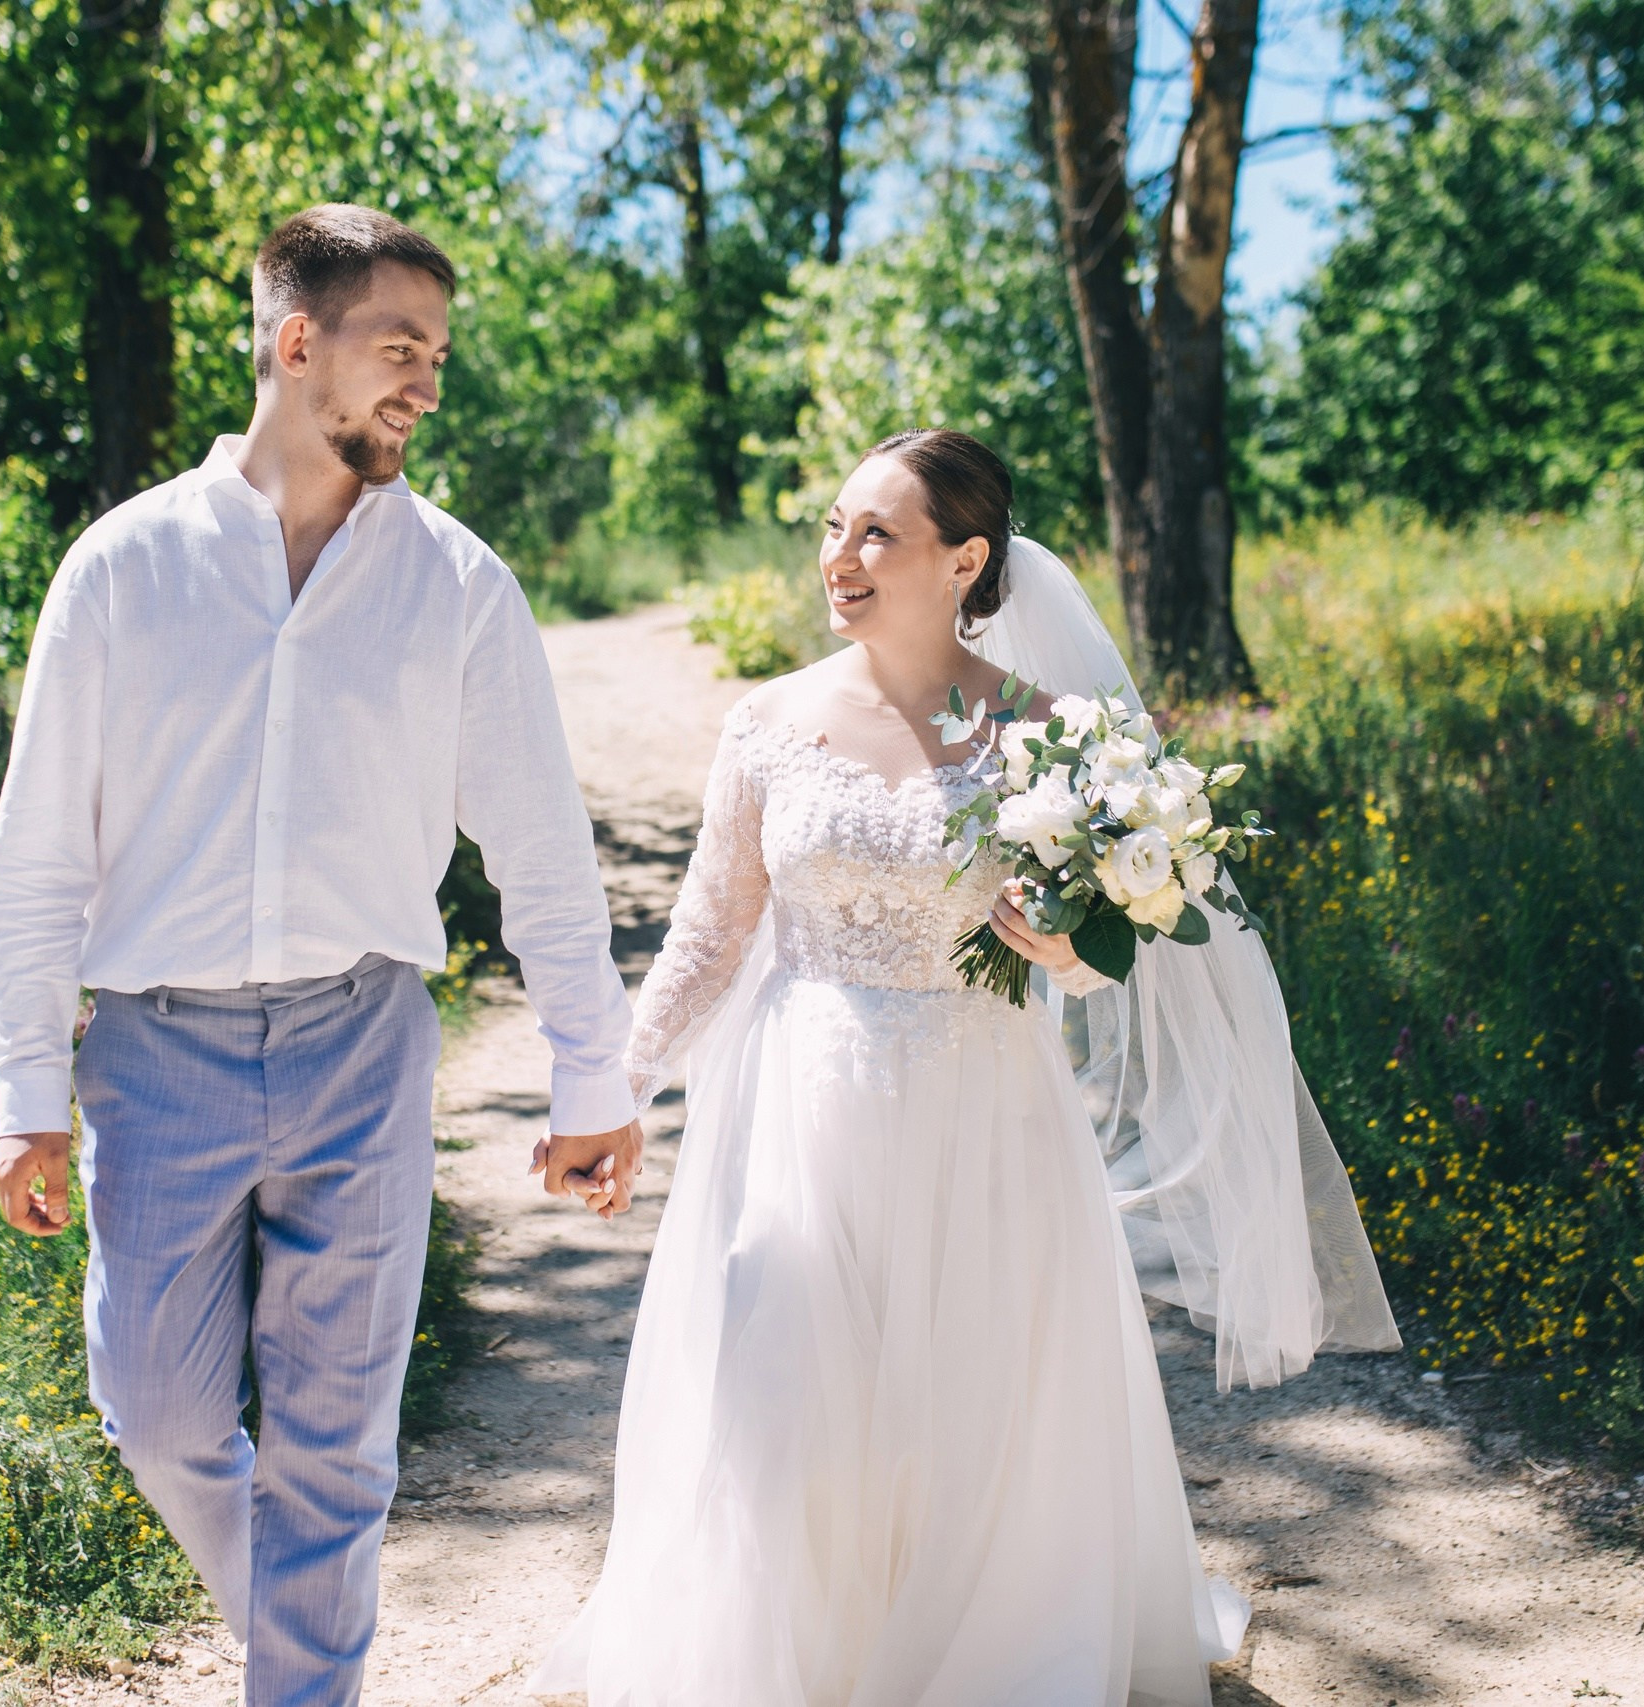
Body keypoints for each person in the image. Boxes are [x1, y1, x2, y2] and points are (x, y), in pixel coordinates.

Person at [531, 430, 1401, 1705]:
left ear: (966, 559)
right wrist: (615, 1090)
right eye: (833, 527)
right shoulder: (768, 722)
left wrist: (1069, 946)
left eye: (876, 533)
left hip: (983, 1104)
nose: (839, 557)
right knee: (789, 1391)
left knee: (975, 1403)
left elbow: (1121, 949)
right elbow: (710, 933)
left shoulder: (1050, 736)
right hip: (799, 1103)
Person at [0, 203, 642, 1707]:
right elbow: (40, 854)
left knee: (340, 1437)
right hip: (155, 1045)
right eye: (399, 350)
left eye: (438, 358)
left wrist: (590, 1069)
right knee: (153, 1410)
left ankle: (304, 1684)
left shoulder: (459, 584)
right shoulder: (123, 566)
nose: (425, 384)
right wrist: (28, 1079)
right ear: (295, 343)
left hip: (362, 1038)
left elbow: (538, 847)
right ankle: (301, 1621)